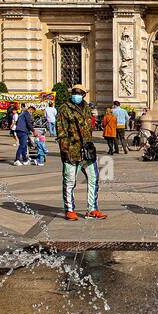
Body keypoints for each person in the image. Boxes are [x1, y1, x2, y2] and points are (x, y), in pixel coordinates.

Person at [57, 85, 105, 220]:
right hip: (71, 150)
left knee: (93, 178)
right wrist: (64, 149)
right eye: (74, 92)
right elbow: (61, 131)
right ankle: (70, 210)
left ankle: (92, 209)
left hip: (87, 150)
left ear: (84, 95)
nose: (76, 94)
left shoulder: (87, 109)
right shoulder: (64, 109)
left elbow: (88, 130)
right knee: (70, 181)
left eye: (79, 93)